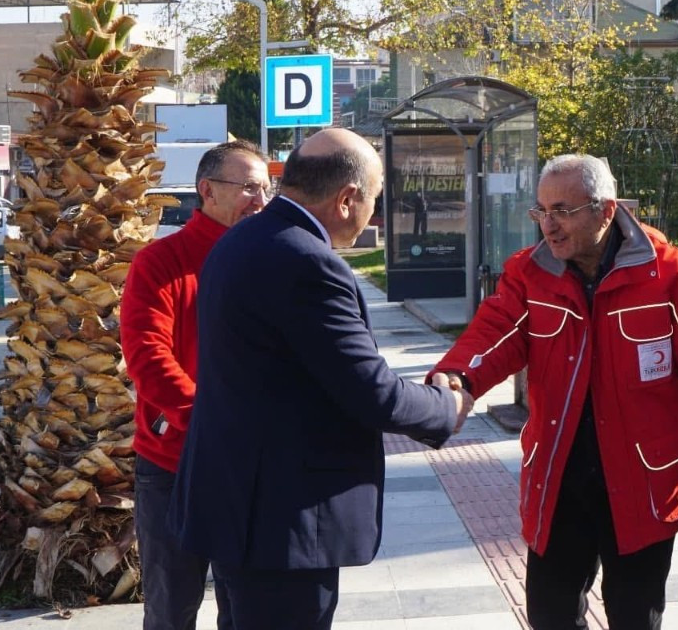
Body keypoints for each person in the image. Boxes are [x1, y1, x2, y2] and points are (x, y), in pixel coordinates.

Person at [429, 154, 678, 630]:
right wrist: (457, 378)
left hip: (644, 485)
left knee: (634, 618)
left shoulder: (673, 277)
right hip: (559, 481)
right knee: (550, 616)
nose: (548, 226)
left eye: (562, 211)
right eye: (540, 212)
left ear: (605, 210)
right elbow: (494, 334)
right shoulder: (529, 274)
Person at [169, 128, 473, 630]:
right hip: (281, 524)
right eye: (372, 200)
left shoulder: (243, 238)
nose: (373, 215)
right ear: (347, 198)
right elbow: (371, 392)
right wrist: (446, 406)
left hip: (238, 508)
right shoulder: (307, 261)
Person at [120, 139, 270, 630]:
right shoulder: (160, 263)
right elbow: (147, 357)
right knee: (170, 611)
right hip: (173, 468)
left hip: (249, 470)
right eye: (249, 187)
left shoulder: (273, 261)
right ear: (207, 190)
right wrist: (211, 422)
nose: (261, 201)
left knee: (246, 609)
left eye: (266, 188)